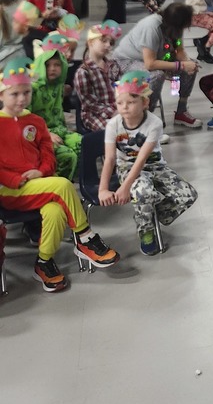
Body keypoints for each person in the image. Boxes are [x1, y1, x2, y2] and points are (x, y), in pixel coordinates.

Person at [0, 57, 119, 292]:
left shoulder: (36, 121)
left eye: (26, 92)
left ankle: (43, 263)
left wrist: (42, 172)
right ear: (2, 94)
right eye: (14, 94)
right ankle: (85, 237)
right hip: (11, 190)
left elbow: (48, 156)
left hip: (41, 186)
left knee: (55, 212)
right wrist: (17, 179)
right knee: (64, 185)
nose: (22, 98)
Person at [99, 70, 198, 256]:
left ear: (145, 103)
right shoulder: (113, 125)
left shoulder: (154, 123)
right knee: (143, 193)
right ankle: (146, 230)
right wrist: (103, 189)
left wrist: (125, 189)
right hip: (127, 168)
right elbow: (110, 159)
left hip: (155, 166)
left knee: (188, 195)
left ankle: (149, 213)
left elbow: (143, 158)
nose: (124, 107)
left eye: (130, 102)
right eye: (120, 103)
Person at [113, 3, 201, 129]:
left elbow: (179, 50)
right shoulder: (152, 27)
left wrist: (188, 63)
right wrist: (181, 65)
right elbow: (150, 64)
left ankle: (181, 112)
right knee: (156, 75)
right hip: (126, 61)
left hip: (155, 59)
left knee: (191, 66)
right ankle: (145, 119)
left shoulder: (175, 26)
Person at [30, 32, 82, 181]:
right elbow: (27, 119)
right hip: (40, 135)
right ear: (40, 65)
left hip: (60, 130)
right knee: (68, 155)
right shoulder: (33, 89)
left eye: (57, 65)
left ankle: (71, 182)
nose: (53, 69)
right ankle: (57, 186)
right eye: (48, 65)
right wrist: (46, 134)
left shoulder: (58, 86)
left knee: (82, 143)